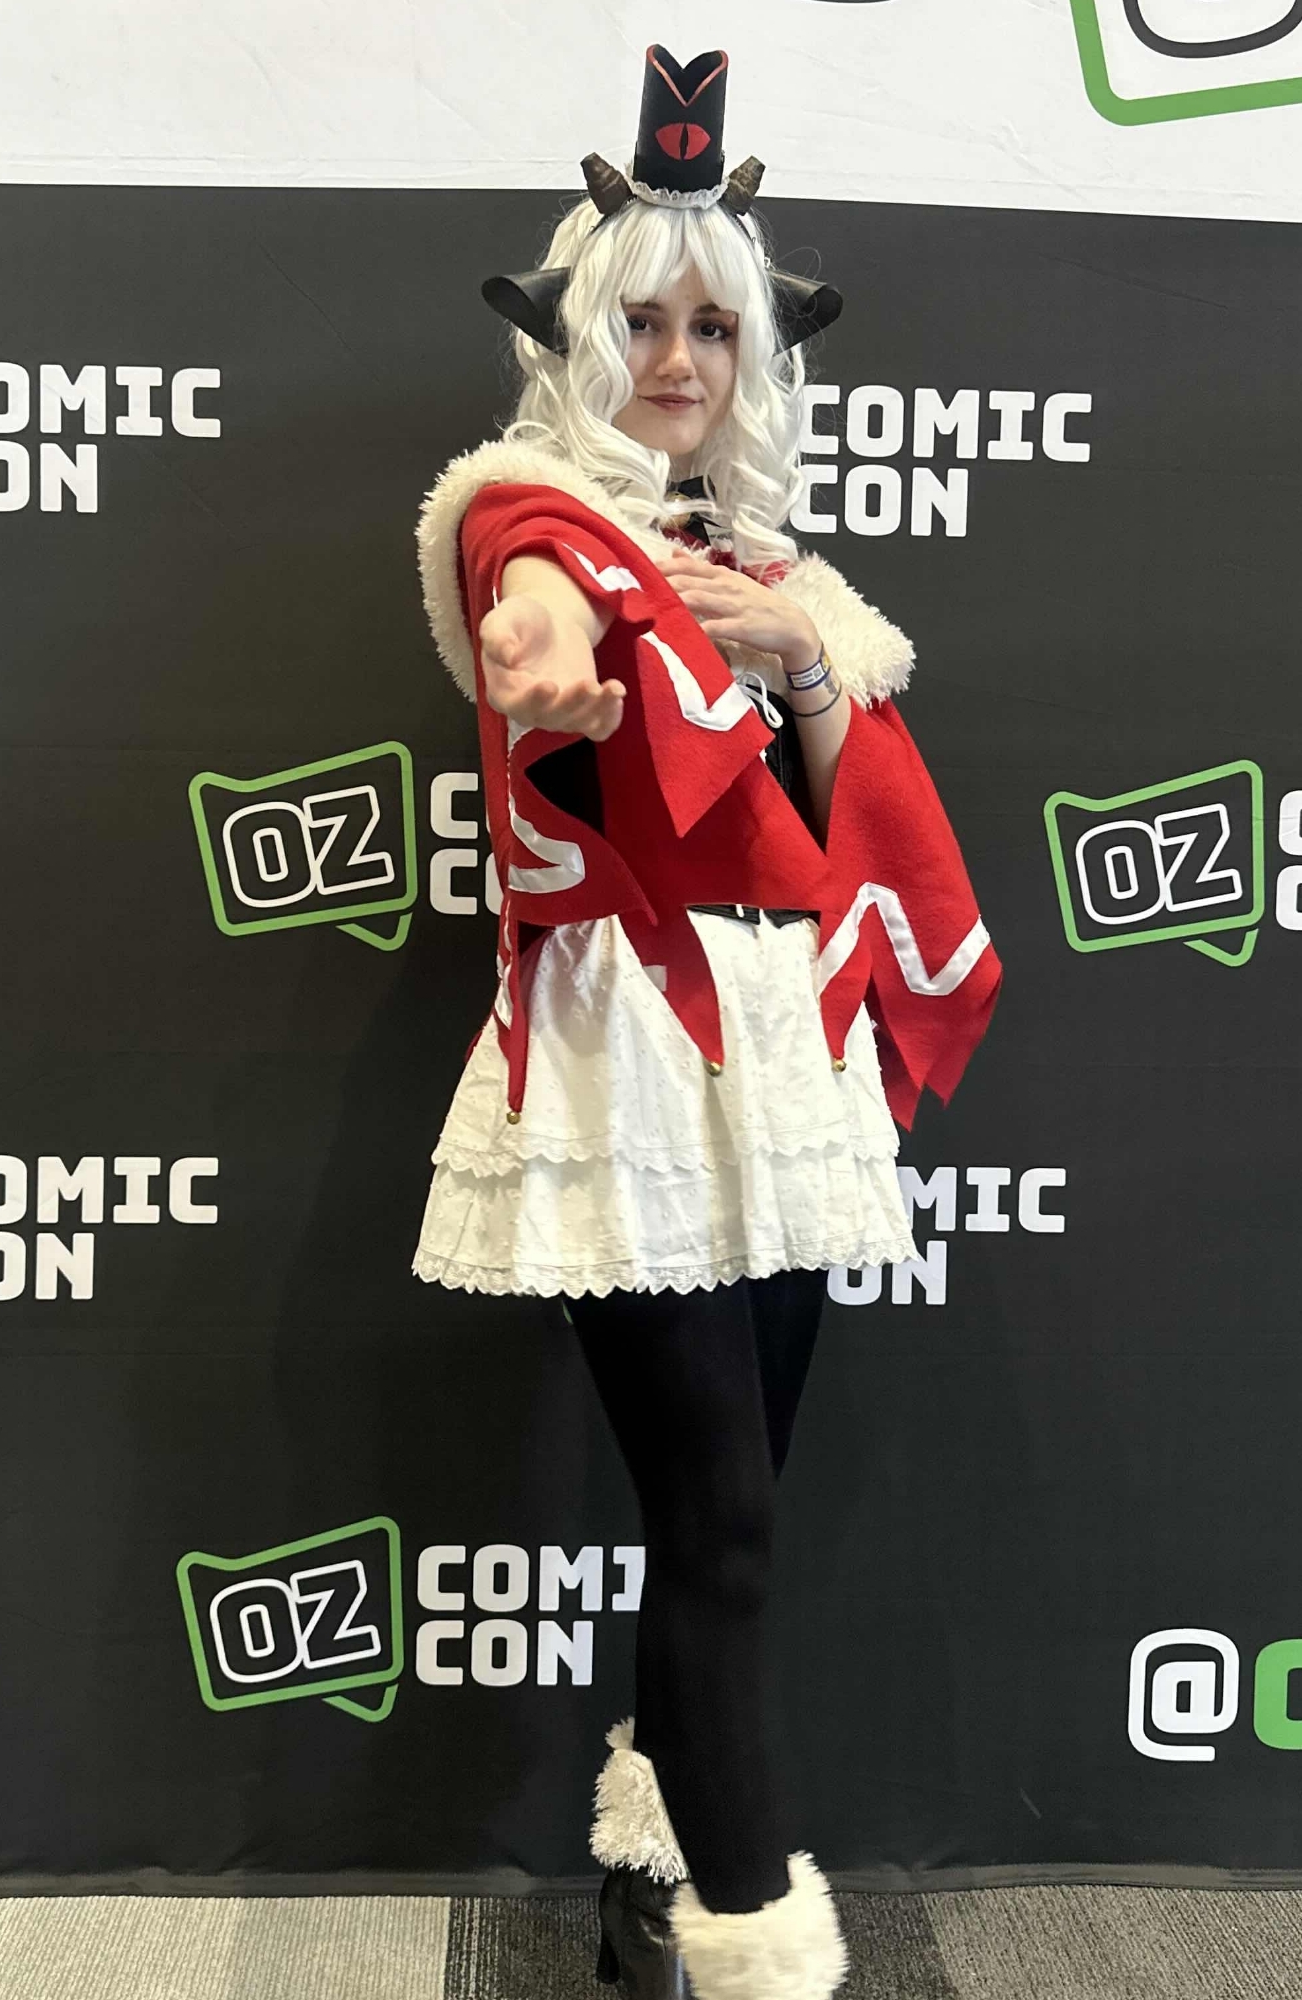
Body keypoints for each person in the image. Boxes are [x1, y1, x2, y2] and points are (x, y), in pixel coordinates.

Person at [411, 45, 1000, 2000]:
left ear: (755, 356)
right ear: (577, 339)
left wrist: (801, 661)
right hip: (634, 1052)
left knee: (722, 1524)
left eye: (711, 327)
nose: (676, 359)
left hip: (787, 1058)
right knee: (725, 1522)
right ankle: (762, 1949)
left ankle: (653, 1871)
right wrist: (552, 648)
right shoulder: (536, 527)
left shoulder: (776, 578)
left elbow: (856, 836)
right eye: (640, 322)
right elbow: (529, 606)